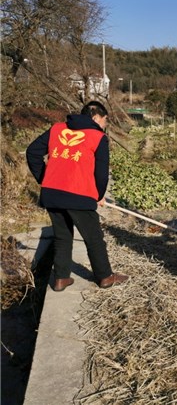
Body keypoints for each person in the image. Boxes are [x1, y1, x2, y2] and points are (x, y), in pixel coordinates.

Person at [26, 101, 128, 291]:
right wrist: (98, 195)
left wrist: (44, 179)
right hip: (79, 195)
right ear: (96, 117)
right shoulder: (98, 137)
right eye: (105, 121)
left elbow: (32, 152)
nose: (105, 125)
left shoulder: (57, 129)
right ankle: (105, 276)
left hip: (52, 194)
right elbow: (101, 173)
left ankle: (61, 278)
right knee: (94, 237)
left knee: (62, 236)